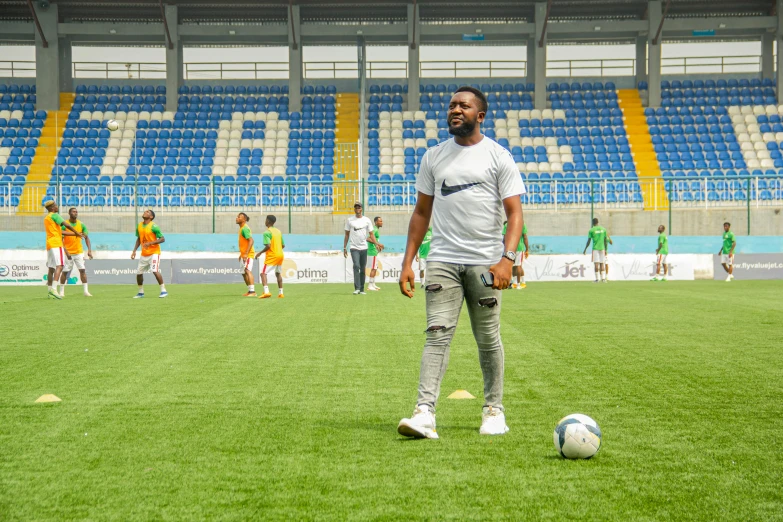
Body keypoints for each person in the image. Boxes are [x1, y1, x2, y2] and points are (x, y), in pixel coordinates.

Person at [397, 86, 525, 439]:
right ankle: (424, 412)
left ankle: (494, 410)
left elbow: (515, 215)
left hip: (486, 264)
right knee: (436, 335)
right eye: (451, 105)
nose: (455, 110)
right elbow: (421, 213)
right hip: (441, 260)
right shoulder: (433, 157)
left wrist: (506, 260)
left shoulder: (499, 157)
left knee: (488, 338)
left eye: (463, 106)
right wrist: (408, 262)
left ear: (480, 115)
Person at [43, 200, 84, 300]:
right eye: (56, 205)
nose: (57, 207)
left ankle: (49, 291)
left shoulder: (47, 218)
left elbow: (61, 231)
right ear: (52, 208)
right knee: (60, 265)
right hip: (57, 243)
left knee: (51, 268)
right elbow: (67, 225)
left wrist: (75, 234)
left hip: (49, 244)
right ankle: (54, 289)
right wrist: (77, 233)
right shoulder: (55, 215)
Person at [343, 202, 381, 295]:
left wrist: (376, 244)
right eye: (356, 207)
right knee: (356, 266)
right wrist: (344, 247)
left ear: (362, 209)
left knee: (363, 268)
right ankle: (357, 288)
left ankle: (362, 289)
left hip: (364, 247)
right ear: (354, 209)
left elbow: (371, 234)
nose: (357, 209)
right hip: (354, 247)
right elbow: (347, 235)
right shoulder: (350, 220)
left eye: (359, 207)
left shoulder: (367, 220)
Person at [131, 209, 167, 298]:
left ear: (151, 217)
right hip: (144, 254)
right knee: (139, 273)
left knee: (154, 270)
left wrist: (150, 243)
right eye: (145, 211)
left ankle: (163, 291)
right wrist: (134, 250)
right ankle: (141, 292)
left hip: (154, 253)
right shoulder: (139, 225)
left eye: (147, 212)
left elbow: (162, 239)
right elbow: (139, 239)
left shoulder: (154, 226)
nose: (145, 212)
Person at [59, 207, 94, 297]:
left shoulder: (81, 225)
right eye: (74, 212)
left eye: (76, 212)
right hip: (69, 252)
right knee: (65, 272)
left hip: (79, 252)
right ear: (69, 213)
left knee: (82, 270)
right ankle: (61, 291)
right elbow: (60, 239)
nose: (76, 213)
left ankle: (86, 291)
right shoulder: (65, 225)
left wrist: (89, 250)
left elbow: (86, 237)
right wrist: (66, 251)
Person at [255, 215, 285, 298]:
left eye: (266, 220)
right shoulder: (278, 231)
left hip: (272, 256)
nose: (265, 221)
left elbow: (268, 246)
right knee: (278, 273)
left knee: (263, 273)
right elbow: (283, 245)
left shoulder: (267, 232)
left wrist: (260, 253)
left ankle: (266, 291)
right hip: (280, 255)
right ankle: (281, 293)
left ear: (268, 221)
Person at [583, 218, 612, 283]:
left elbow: (589, 241)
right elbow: (605, 240)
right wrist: (605, 249)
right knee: (602, 263)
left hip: (595, 249)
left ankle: (597, 279)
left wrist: (585, 249)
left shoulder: (591, 230)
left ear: (593, 223)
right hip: (602, 248)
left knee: (596, 263)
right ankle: (603, 279)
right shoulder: (603, 229)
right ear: (598, 222)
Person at [504, 220, 529, 289]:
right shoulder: (522, 224)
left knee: (515, 266)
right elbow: (525, 237)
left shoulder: (506, 225)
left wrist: (505, 247)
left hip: (510, 248)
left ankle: (521, 283)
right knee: (517, 265)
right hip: (519, 247)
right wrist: (527, 249)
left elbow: (504, 238)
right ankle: (516, 283)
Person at [236, 212, 256, 296]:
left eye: (239, 217)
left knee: (247, 270)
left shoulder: (244, 228)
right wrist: (241, 254)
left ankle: (252, 291)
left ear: (244, 219)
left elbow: (251, 240)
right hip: (244, 254)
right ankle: (249, 290)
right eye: (237, 216)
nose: (236, 218)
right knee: (244, 273)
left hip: (248, 254)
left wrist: (246, 254)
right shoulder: (241, 228)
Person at [366, 216, 385, 291]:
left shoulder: (376, 229)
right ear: (376, 222)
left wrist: (377, 245)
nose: (381, 222)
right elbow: (368, 238)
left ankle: (373, 284)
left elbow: (374, 240)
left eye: (382, 221)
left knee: (375, 268)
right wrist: (379, 244)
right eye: (380, 221)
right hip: (372, 251)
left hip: (375, 251)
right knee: (373, 268)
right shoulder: (374, 229)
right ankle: (370, 285)